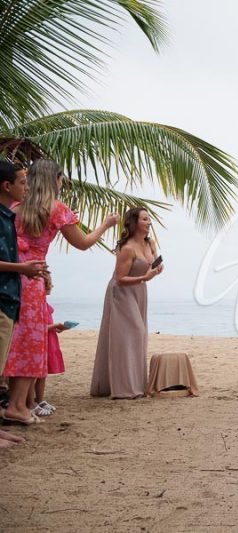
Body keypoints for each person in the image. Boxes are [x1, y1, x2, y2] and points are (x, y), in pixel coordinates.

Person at [2, 159, 118, 426]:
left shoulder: (14, 208)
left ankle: (17, 402)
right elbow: (83, 243)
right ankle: (19, 406)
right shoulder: (56, 210)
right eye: (61, 178)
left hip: (11, 278)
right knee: (31, 344)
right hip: (32, 281)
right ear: (54, 179)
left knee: (14, 343)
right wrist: (106, 225)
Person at [91, 207, 163, 399]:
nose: (149, 222)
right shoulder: (128, 248)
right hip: (121, 292)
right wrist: (145, 278)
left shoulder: (150, 244)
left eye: (149, 219)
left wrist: (156, 267)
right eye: (145, 219)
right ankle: (125, 388)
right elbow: (120, 278)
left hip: (139, 292)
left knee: (139, 335)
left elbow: (153, 265)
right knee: (132, 334)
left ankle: (136, 384)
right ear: (135, 223)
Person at [0, 161, 44, 443]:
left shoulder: (7, 216)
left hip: (9, 299)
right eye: (22, 182)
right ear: (7, 186)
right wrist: (23, 269)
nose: (27, 188)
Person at [30, 271, 66, 417]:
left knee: (43, 373)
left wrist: (55, 327)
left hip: (48, 339)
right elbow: (36, 326)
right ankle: (32, 401)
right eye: (48, 283)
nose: (51, 285)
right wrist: (54, 326)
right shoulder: (36, 303)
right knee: (35, 373)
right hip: (40, 339)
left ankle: (40, 399)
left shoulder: (44, 302)